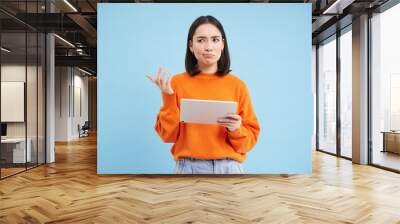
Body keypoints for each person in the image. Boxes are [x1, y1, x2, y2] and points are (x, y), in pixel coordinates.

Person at [147, 15, 260, 174]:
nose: (209, 47)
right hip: (187, 168)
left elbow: (248, 143)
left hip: (229, 168)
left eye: (215, 39)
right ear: (191, 46)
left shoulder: (238, 86)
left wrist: (236, 129)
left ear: (222, 44)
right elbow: (168, 136)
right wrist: (168, 97)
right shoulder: (176, 83)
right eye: (201, 40)